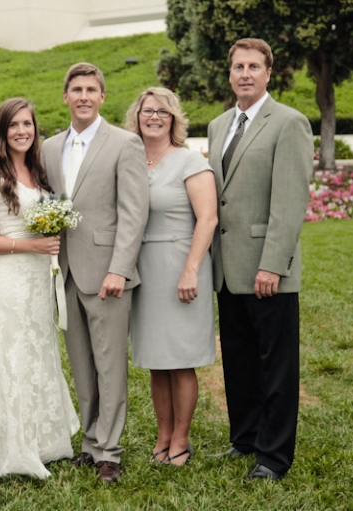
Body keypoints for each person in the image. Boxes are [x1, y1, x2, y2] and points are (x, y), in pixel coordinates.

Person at [0, 98, 80, 478]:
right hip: (9, 277)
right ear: (2, 132)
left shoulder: (39, 174)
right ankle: (9, 444)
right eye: (14, 125)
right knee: (9, 353)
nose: (22, 131)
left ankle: (40, 438)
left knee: (37, 351)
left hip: (40, 279)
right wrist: (31, 245)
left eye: (28, 123)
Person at [206, 38, 312, 481]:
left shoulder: (289, 123)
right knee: (239, 360)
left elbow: (290, 202)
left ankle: (273, 456)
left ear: (269, 73)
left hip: (267, 268)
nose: (245, 73)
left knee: (276, 365)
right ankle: (245, 439)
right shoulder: (217, 125)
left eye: (254, 66)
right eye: (238, 67)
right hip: (228, 269)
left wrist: (273, 263)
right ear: (228, 74)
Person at [40, 62, 149, 483]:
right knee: (81, 365)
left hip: (107, 273)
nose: (83, 96)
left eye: (91, 89)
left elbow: (133, 212)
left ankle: (110, 451)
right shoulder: (49, 147)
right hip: (63, 272)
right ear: (65, 96)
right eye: (76, 89)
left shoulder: (125, 143)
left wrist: (119, 269)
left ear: (102, 96)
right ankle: (90, 441)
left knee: (109, 365)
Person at [125, 87, 217, 466]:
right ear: (137, 116)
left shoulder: (189, 161)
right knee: (155, 359)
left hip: (182, 262)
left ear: (174, 119)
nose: (154, 117)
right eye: (148, 111)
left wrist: (190, 270)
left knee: (180, 358)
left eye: (163, 112)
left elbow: (208, 218)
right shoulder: (131, 161)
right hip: (145, 267)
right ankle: (162, 438)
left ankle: (181, 439)